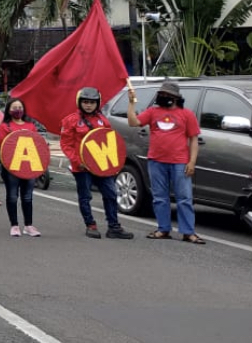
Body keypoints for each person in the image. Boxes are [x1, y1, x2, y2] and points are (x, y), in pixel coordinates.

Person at [127, 81, 204, 244]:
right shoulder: (153, 112)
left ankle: (188, 232)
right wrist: (131, 103)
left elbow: (194, 140)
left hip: (180, 162)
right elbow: (133, 122)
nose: (164, 97)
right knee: (160, 197)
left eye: (168, 95)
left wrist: (192, 162)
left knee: (184, 198)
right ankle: (163, 229)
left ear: (176, 98)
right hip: (156, 161)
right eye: (162, 94)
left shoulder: (187, 114)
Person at [60, 87, 135, 240]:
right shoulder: (71, 120)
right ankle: (90, 225)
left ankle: (114, 226)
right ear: (79, 102)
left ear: (97, 103)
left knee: (111, 194)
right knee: (85, 196)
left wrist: (113, 164)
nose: (88, 105)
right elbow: (66, 145)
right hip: (81, 167)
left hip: (102, 165)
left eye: (92, 102)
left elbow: (110, 141)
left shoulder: (103, 120)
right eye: (85, 102)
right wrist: (78, 162)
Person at [0, 98, 42, 237]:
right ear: (9, 111)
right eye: (14, 107)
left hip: (29, 166)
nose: (17, 110)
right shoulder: (4, 126)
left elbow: (37, 144)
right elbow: (2, 146)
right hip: (11, 167)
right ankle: (14, 225)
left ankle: (29, 225)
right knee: (12, 196)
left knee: (27, 197)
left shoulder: (31, 126)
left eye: (20, 107)